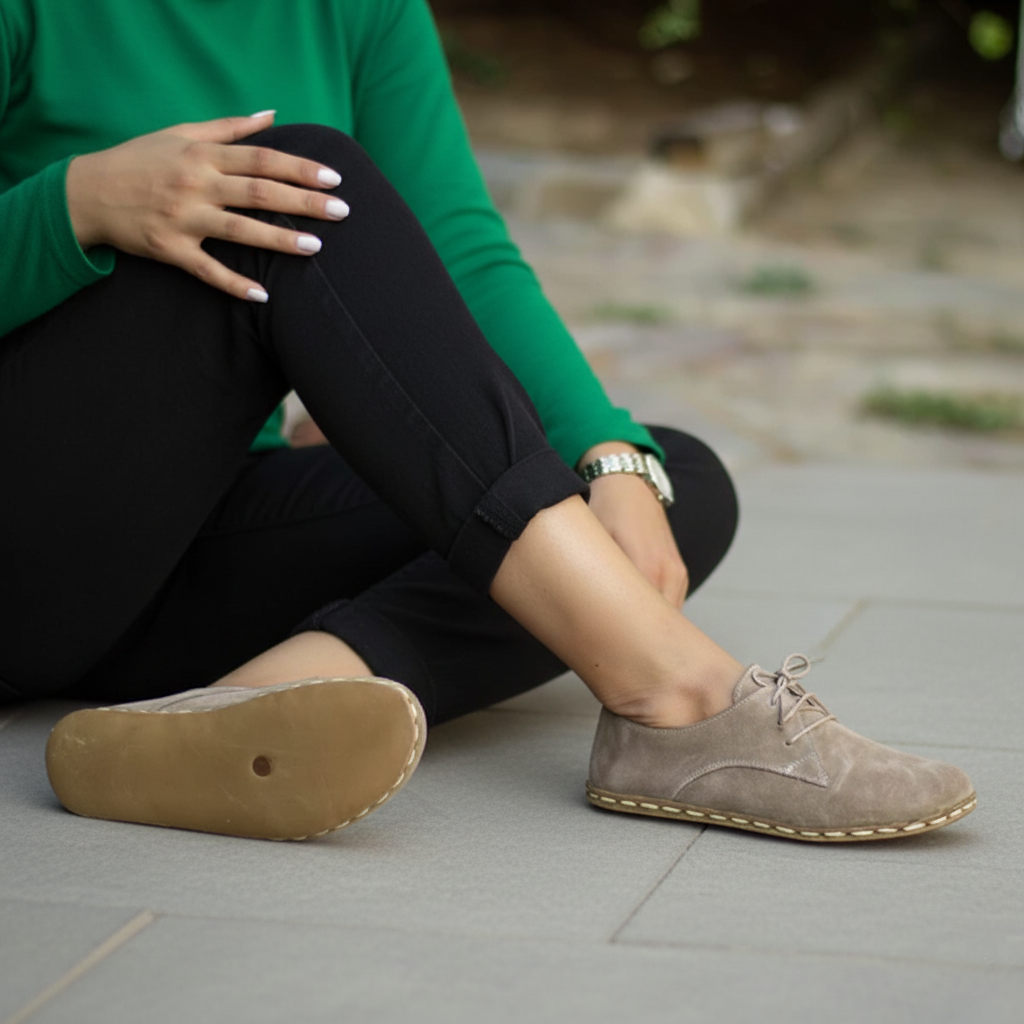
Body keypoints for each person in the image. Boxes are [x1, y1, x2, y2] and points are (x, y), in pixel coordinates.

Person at [2, 0, 975, 844]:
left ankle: (240, 711)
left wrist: (608, 452)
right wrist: (75, 203)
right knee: (297, 173)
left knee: (662, 487)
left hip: (161, 552)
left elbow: (459, 247)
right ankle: (675, 701)